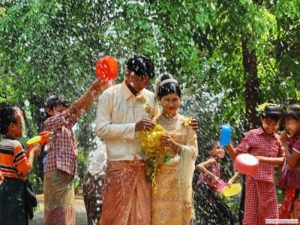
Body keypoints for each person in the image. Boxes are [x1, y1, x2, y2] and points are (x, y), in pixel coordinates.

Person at [95, 55, 158, 225]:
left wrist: (186, 125)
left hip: (143, 169)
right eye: (140, 77)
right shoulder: (109, 96)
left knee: (142, 218)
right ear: (128, 73)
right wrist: (133, 127)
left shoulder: (152, 99)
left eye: (147, 79)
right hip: (118, 167)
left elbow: (162, 124)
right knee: (114, 219)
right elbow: (101, 129)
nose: (143, 82)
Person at [43, 77, 109, 225]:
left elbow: (80, 109)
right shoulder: (49, 124)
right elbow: (74, 108)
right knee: (57, 215)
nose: (65, 112)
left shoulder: (66, 125)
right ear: (48, 111)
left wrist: (96, 92)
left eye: (64, 110)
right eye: (60, 110)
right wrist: (91, 88)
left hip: (66, 175)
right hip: (56, 175)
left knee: (66, 215)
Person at [151, 73, 198, 225]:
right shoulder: (153, 123)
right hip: (159, 183)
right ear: (159, 100)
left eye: (175, 99)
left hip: (180, 182)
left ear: (180, 99)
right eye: (167, 100)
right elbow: (146, 152)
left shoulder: (188, 123)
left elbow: (193, 151)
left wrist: (175, 145)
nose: (171, 104)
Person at [226, 103, 284, 225]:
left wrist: (260, 158)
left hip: (269, 185)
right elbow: (237, 158)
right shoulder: (252, 135)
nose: (271, 127)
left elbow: (283, 161)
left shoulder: (278, 139)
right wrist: (227, 144)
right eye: (268, 123)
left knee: (272, 219)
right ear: (262, 119)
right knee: (252, 219)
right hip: (253, 183)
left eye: (275, 124)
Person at [0, 103, 41, 225]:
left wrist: (27, 152)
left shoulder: (3, 143)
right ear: (12, 126)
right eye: (20, 122)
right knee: (17, 220)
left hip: (4, 189)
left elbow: (14, 164)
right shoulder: (16, 145)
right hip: (15, 191)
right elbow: (25, 169)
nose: (23, 125)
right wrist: (33, 152)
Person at [195, 141, 235, 225]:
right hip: (203, 189)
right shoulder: (212, 160)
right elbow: (199, 166)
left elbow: (215, 182)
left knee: (225, 213)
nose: (221, 150)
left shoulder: (217, 163)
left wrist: (223, 186)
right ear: (210, 151)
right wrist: (212, 176)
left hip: (209, 190)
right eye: (218, 148)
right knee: (209, 215)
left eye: (222, 148)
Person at [278, 104, 300, 220]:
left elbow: (291, 162)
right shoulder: (294, 138)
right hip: (293, 186)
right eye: (286, 123)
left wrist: (284, 143)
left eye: (290, 123)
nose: (287, 126)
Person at [83, 140, 107, 225]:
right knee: (97, 218)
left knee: (93, 219)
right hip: (95, 182)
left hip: (90, 181)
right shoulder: (108, 148)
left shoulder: (103, 147)